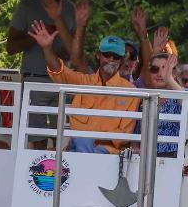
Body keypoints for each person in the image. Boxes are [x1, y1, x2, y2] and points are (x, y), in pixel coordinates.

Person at [28, 23, 139, 154]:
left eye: (116, 57)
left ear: (121, 60)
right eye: (107, 54)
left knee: (82, 143)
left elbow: (124, 135)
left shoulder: (131, 91)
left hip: (106, 151)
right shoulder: (84, 81)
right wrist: (46, 48)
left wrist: (90, 140)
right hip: (76, 146)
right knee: (78, 145)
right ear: (99, 55)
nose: (111, 59)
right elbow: (58, 71)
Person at [6, 0, 76, 78]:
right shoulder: (27, 6)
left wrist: (70, 53)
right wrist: (36, 37)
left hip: (63, 78)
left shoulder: (70, 9)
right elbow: (10, 48)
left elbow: (77, 48)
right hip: (34, 78)